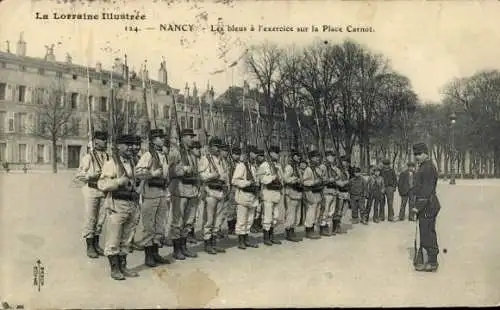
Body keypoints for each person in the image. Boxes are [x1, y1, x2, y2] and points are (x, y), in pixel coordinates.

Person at [97, 134, 140, 280]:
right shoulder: (112, 163)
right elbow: (101, 184)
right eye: (127, 144)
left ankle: (123, 266)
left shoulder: (133, 162)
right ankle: (115, 269)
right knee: (114, 239)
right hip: (117, 203)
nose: (131, 147)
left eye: (132, 145)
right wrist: (118, 182)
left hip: (131, 204)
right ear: (119, 146)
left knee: (127, 238)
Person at [135, 129, 172, 267]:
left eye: (163, 137)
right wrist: (153, 174)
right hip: (150, 193)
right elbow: (138, 172)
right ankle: (148, 255)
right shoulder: (148, 155)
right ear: (153, 140)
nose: (162, 140)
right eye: (159, 138)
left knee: (159, 226)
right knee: (149, 226)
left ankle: (156, 253)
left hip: (162, 193)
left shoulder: (164, 155)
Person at [75, 131, 109, 259]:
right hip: (91, 190)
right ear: (95, 141)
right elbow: (79, 175)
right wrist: (91, 175)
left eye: (105, 139)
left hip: (104, 191)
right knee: (91, 218)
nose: (104, 141)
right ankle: (89, 246)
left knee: (101, 219)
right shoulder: (88, 157)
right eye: (102, 139)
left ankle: (96, 244)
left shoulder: (107, 156)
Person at [168, 129, 200, 260]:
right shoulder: (175, 152)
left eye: (192, 137)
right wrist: (184, 169)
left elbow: (196, 171)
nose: (191, 139)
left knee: (188, 221)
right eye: (189, 137)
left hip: (191, 190)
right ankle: (176, 249)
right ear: (182, 138)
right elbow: (170, 171)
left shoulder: (192, 154)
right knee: (177, 221)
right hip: (180, 191)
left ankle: (184, 247)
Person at [411, 142, 441, 272]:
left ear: (426, 153)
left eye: (419, 154)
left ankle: (433, 262)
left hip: (428, 205)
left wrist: (418, 207)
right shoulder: (424, 166)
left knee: (427, 232)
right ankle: (427, 259)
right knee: (425, 231)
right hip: (427, 205)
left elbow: (427, 189)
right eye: (415, 154)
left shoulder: (428, 167)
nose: (416, 156)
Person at [198, 137, 229, 254]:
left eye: (219, 147)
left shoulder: (222, 161)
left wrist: (226, 186)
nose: (217, 149)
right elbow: (201, 175)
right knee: (209, 219)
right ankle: (207, 244)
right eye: (215, 146)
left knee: (218, 219)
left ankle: (214, 243)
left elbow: (225, 176)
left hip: (221, 191)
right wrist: (213, 175)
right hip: (210, 191)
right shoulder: (205, 159)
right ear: (210, 147)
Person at [232, 145, 260, 249]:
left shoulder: (253, 166)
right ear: (249, 153)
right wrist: (248, 183)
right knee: (241, 220)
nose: (256, 155)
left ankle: (246, 239)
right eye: (254, 153)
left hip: (252, 197)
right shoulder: (241, 166)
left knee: (249, 220)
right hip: (243, 196)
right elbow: (234, 181)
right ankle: (241, 241)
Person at [258, 146, 284, 246]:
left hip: (276, 193)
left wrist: (280, 181)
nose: (277, 155)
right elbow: (260, 178)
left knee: (275, 216)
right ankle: (266, 237)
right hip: (268, 192)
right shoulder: (264, 165)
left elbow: (282, 178)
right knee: (267, 216)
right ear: (270, 153)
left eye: (277, 153)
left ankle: (272, 236)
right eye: (275, 153)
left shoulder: (278, 165)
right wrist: (272, 177)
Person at [282, 149, 303, 242]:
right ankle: (289, 232)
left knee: (296, 214)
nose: (299, 157)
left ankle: (292, 230)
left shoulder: (297, 167)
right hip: (291, 192)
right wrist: (295, 179)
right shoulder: (289, 167)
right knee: (291, 213)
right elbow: (285, 179)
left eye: (299, 156)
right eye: (297, 156)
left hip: (297, 192)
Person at [302, 149, 324, 239]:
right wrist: (314, 182)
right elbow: (305, 182)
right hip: (310, 191)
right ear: (311, 158)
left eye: (318, 157)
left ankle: (313, 228)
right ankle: (308, 229)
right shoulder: (308, 169)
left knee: (317, 211)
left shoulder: (318, 169)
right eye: (315, 157)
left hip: (318, 191)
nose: (317, 159)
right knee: (311, 211)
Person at [320, 150, 340, 236]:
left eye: (333, 156)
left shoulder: (335, 168)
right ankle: (322, 227)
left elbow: (338, 176)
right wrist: (329, 180)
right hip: (326, 191)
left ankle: (328, 227)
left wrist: (336, 178)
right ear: (326, 157)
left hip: (333, 191)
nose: (332, 158)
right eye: (330, 156)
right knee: (325, 210)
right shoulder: (323, 167)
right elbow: (320, 178)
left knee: (331, 212)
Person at [332, 155, 350, 234]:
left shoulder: (347, 171)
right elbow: (338, 182)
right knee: (338, 210)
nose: (345, 163)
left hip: (346, 192)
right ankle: (335, 227)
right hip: (339, 192)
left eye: (346, 162)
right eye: (344, 161)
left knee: (343, 210)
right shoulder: (337, 170)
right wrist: (346, 182)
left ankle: (338, 224)